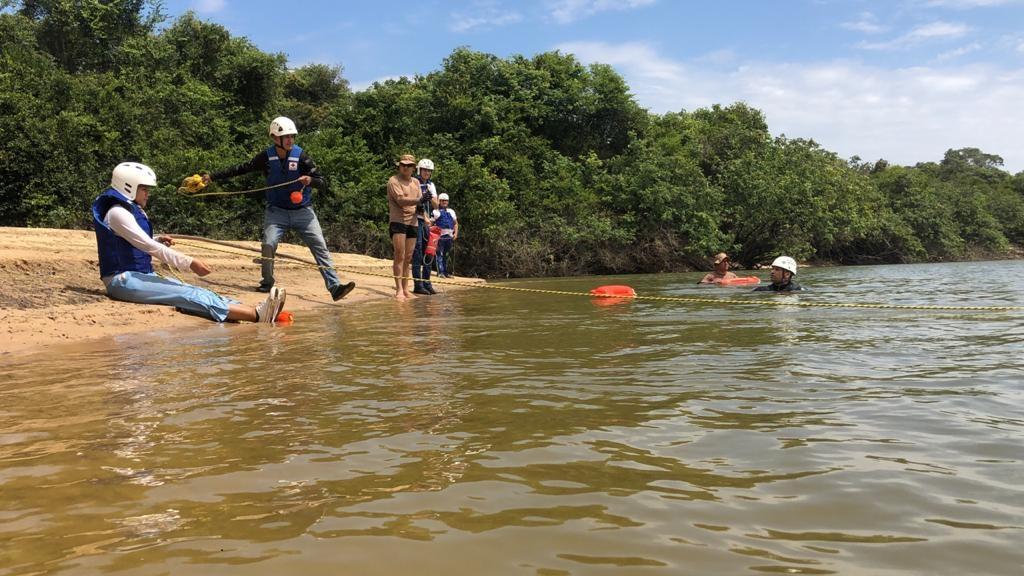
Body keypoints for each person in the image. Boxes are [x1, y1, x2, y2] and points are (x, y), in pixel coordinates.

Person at [93, 162, 287, 323]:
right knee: (187, 295)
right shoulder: (117, 213)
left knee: (194, 290)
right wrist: (190, 262)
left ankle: (253, 311)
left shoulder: (128, 210)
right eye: (144, 189)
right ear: (128, 186)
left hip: (137, 276)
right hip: (122, 281)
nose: (147, 194)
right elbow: (149, 247)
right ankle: (256, 316)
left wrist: (159, 239)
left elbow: (139, 242)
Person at [202, 116, 356, 301]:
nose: (291, 140)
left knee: (320, 247)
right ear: (276, 138)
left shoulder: (302, 157)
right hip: (277, 213)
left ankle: (334, 288)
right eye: (287, 137)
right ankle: (267, 282)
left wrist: (310, 181)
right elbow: (241, 168)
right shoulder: (266, 157)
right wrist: (213, 177)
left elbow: (322, 182)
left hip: (303, 213)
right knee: (268, 244)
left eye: (292, 136)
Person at [388, 154, 423, 301]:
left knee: (408, 257)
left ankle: (406, 288)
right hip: (398, 221)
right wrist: (419, 200)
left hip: (413, 221)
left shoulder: (415, 182)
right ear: (399, 166)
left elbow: (420, 204)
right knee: (399, 254)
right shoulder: (393, 180)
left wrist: (426, 216)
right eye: (403, 165)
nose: (405, 167)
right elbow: (401, 200)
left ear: (414, 168)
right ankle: (399, 289)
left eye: (409, 165)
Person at [411, 158, 439, 295]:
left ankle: (427, 282)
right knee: (417, 251)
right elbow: (415, 204)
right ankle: (418, 284)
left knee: (429, 251)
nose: (427, 172)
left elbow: (436, 204)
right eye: (425, 170)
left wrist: (430, 195)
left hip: (428, 223)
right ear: (419, 170)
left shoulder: (431, 184)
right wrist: (425, 216)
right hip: (417, 220)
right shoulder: (414, 182)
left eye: (429, 171)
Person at [431, 192, 459, 278]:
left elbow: (455, 223)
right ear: (439, 201)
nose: (444, 202)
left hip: (449, 236)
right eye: (442, 201)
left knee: (446, 255)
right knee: (439, 254)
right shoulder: (435, 211)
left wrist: (456, 233)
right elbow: (430, 224)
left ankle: (446, 272)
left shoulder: (451, 211)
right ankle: (440, 272)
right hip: (440, 237)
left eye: (446, 201)